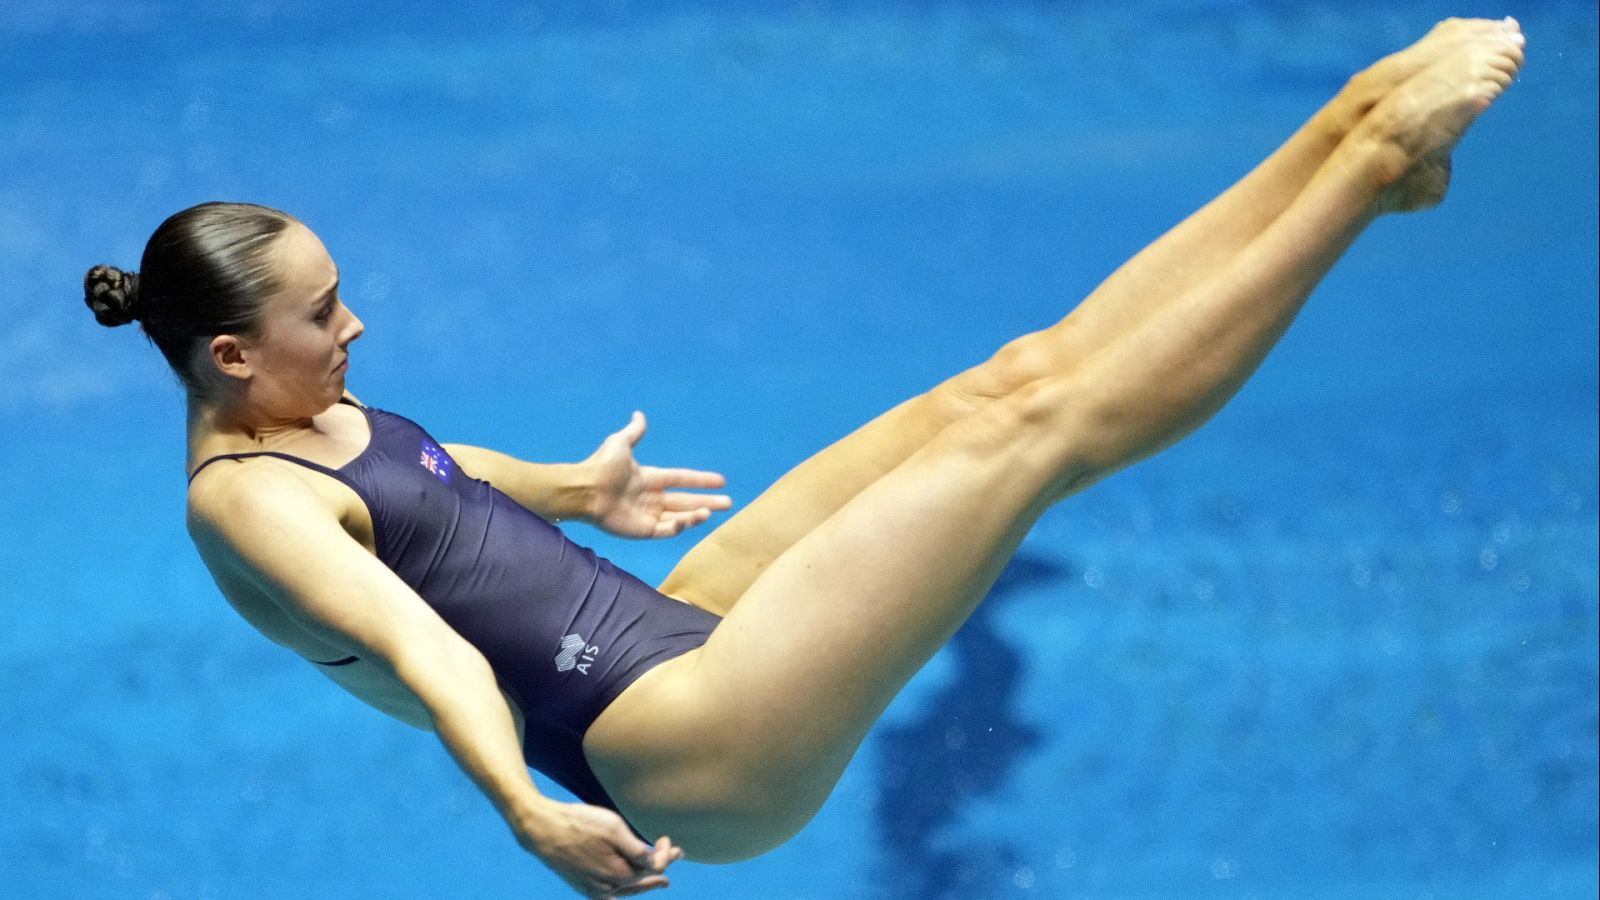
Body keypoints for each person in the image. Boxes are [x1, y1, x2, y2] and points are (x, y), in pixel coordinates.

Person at [83, 18, 1524, 899]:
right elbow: (425, 645)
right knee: (1040, 439)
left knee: (1000, 386)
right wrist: (529, 813)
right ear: (230, 356)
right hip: (693, 742)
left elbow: (422, 470)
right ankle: (1371, 161)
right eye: (323, 314)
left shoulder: (302, 419)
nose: (355, 325)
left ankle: (1350, 134)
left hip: (670, 623)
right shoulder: (245, 510)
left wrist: (574, 493)